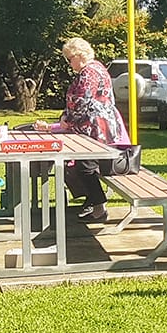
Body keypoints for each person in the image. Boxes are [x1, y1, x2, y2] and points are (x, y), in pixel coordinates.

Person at [34, 36, 129, 222]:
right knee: (82, 165)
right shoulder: (98, 68)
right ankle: (95, 205)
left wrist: (66, 120)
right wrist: (66, 117)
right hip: (96, 126)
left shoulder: (89, 73)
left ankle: (97, 205)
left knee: (84, 166)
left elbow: (81, 101)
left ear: (79, 55)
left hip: (94, 128)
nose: (69, 63)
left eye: (70, 59)